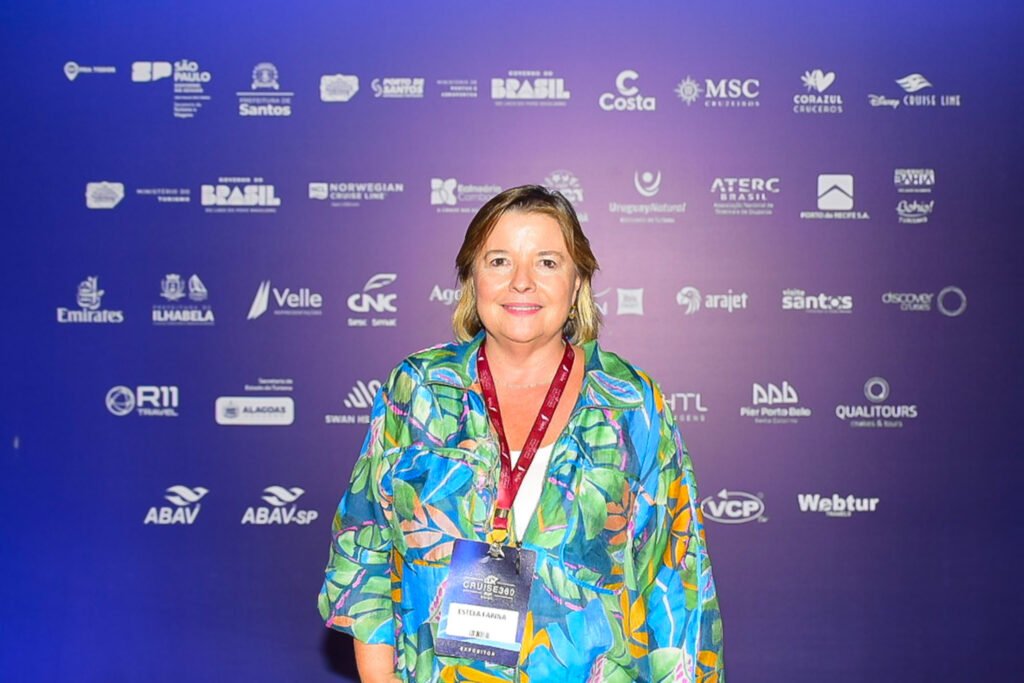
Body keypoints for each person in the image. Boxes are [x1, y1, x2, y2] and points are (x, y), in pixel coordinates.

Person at [319, 185, 724, 682]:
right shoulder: (419, 390)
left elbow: (679, 587)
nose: (522, 282)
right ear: (472, 278)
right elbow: (364, 559)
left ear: (578, 282)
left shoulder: (631, 404)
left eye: (547, 262)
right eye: (499, 261)